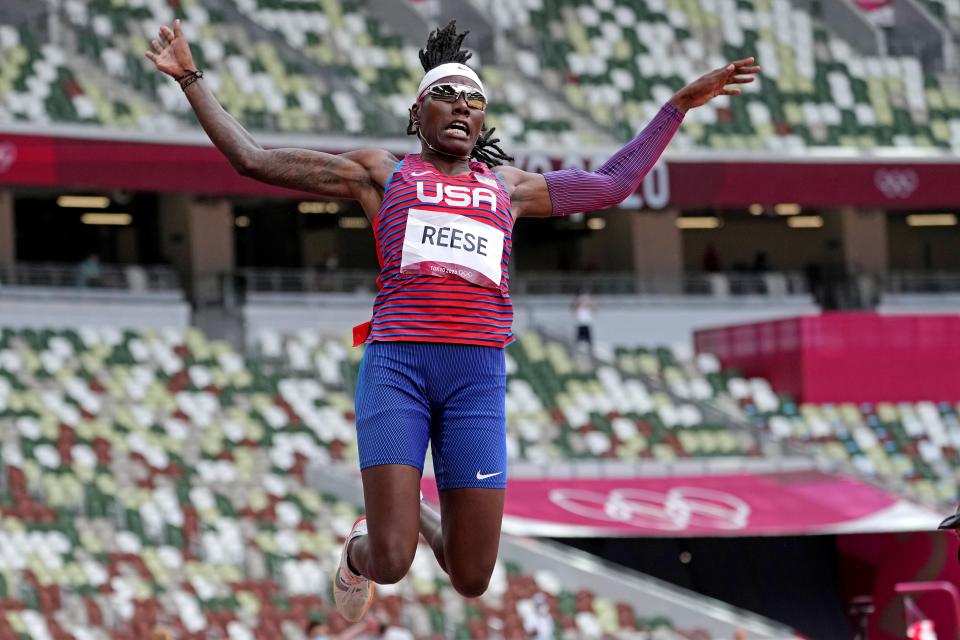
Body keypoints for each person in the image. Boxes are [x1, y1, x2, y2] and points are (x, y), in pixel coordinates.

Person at [146, 19, 759, 622]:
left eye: (475, 100)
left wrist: (677, 105)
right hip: (400, 368)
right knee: (390, 560)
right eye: (446, 95)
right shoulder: (380, 174)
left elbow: (611, 183)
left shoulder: (509, 188)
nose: (462, 107)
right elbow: (253, 159)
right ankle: (358, 553)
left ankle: (409, 511)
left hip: (477, 381)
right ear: (417, 114)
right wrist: (191, 78)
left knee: (470, 577)